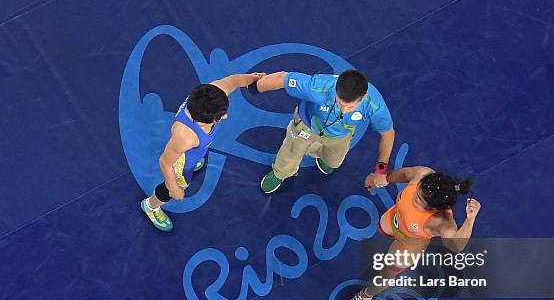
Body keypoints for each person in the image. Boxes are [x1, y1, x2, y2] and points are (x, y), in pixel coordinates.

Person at [339, 166, 482, 300]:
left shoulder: (442, 221)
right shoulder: (423, 174)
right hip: (393, 220)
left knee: (385, 275)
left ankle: (365, 295)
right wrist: (383, 179)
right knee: (381, 227)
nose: (414, 196)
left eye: (419, 199)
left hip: (408, 245)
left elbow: (454, 246)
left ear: (433, 208)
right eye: (417, 190)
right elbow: (404, 174)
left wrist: (470, 220)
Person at [141, 73, 265, 231]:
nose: (226, 116)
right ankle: (151, 205)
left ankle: (195, 159)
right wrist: (173, 187)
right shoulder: (185, 137)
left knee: (197, 153)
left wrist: (253, 79)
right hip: (182, 161)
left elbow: (234, 80)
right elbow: (165, 162)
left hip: (194, 149)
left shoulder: (213, 93)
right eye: (220, 117)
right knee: (178, 184)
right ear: (204, 120)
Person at [251, 69, 395, 193]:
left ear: (362, 98)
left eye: (350, 107)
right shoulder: (318, 86)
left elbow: (388, 134)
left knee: (334, 162)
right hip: (307, 125)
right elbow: (282, 78)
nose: (343, 110)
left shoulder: (375, 105)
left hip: (340, 134)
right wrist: (254, 86)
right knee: (291, 153)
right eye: (340, 104)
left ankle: (320, 154)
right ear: (336, 88)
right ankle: (280, 173)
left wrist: (381, 170)